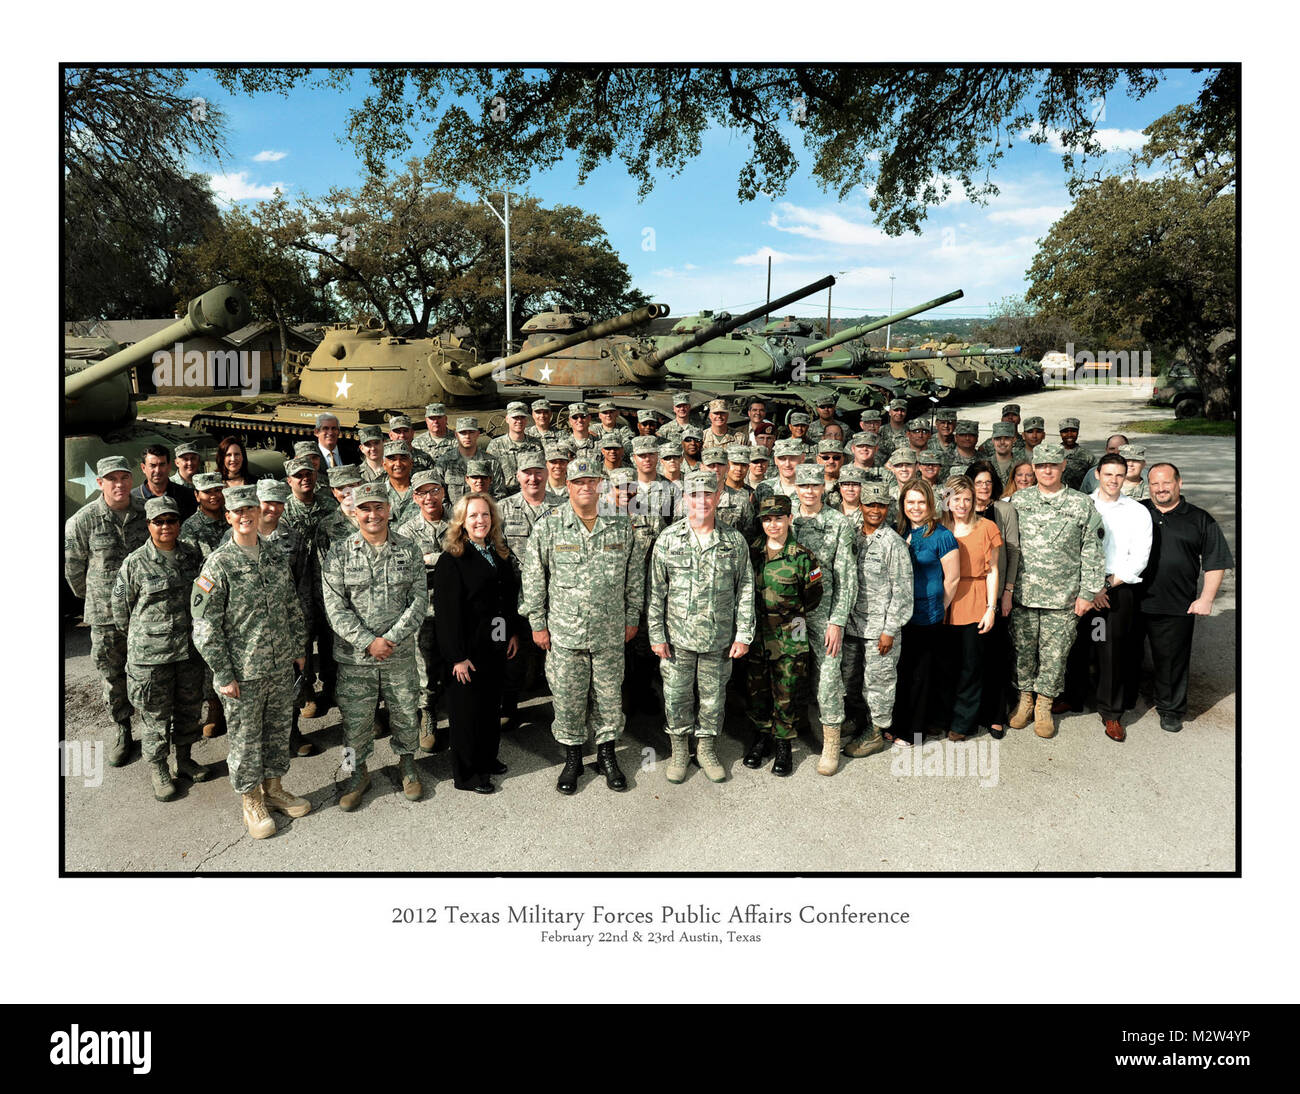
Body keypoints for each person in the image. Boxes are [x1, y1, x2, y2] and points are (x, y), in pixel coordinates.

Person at [191, 485, 310, 839]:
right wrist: (223, 672)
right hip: (242, 672)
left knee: (276, 732)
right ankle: (251, 800)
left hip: (277, 666)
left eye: (250, 511)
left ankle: (273, 789)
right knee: (245, 740)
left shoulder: (274, 557)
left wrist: (299, 648)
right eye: (238, 512)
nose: (245, 517)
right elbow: (203, 624)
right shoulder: (217, 564)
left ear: (259, 514)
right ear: (229, 517)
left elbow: (291, 605)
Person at [520, 458, 643, 793]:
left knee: (608, 697)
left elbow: (634, 576)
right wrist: (537, 623)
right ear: (569, 486)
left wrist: (633, 617)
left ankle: (606, 755)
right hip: (564, 632)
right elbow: (533, 578)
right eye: (579, 482)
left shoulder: (620, 525)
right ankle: (573, 757)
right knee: (567, 698)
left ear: (601, 485)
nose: (586, 488)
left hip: (610, 631)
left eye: (592, 481)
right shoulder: (550, 526)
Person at [322, 481, 428, 809]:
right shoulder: (338, 552)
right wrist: (369, 642)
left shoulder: (408, 549)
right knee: (355, 721)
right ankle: (356, 772)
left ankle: (408, 763)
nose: (372, 514)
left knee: (406, 712)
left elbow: (419, 599)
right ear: (354, 512)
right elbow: (334, 607)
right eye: (365, 508)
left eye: (378, 507)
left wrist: (391, 639)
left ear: (389, 509)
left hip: (398, 654)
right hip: (356, 658)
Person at [647, 470, 755, 784]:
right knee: (677, 696)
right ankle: (680, 749)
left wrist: (744, 633)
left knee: (712, 698)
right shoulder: (669, 538)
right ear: (685, 499)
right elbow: (656, 590)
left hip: (718, 637)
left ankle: (706, 748)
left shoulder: (733, 540)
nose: (702, 501)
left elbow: (745, 588)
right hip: (677, 638)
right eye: (695, 495)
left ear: (718, 498)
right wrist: (656, 634)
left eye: (708, 494)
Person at [111, 496, 209, 800]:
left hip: (188, 652)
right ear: (149, 525)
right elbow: (120, 610)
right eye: (159, 521)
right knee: (155, 715)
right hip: (151, 659)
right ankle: (158, 768)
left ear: (179, 523)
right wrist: (146, 639)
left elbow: (203, 598)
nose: (166, 526)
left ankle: (185, 760)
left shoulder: (192, 556)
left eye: (171, 520)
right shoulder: (134, 563)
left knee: (189, 710)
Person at [1007, 444, 1106, 739]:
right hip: (1024, 595)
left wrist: (1088, 592)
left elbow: (1092, 549)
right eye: (1041, 466)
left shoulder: (1081, 504)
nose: (1046, 470)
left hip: (1063, 598)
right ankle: (1025, 701)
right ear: (1033, 469)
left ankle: (1044, 705)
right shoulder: (1019, 501)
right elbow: (1008, 547)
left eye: (1052, 465)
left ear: (1063, 466)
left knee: (1055, 655)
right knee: (1023, 652)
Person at [433, 492, 526, 792]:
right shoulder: (452, 559)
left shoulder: (498, 552)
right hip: (466, 650)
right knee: (467, 713)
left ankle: (487, 758)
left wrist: (510, 633)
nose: (480, 520)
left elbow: (505, 598)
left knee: (489, 707)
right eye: (473, 515)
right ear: (462, 521)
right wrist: (456, 657)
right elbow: (446, 614)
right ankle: (469, 773)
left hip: (494, 644)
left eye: (485, 515)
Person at [1061, 453, 1153, 740]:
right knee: (1076, 645)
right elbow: (1069, 548)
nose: (1114, 480)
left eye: (1119, 475)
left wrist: (1103, 587)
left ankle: (1111, 713)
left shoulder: (1137, 511)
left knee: (1108, 650)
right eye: (1108, 474)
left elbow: (1139, 557)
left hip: (1114, 592)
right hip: (1079, 589)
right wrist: (1088, 587)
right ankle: (1073, 696)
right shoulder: (1081, 504)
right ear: (1097, 474)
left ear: (1125, 477)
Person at [65, 456, 150, 765]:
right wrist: (100, 599)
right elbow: (74, 573)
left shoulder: (146, 515)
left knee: (151, 673)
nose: (119, 484)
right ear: (100, 483)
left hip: (144, 613)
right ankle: (123, 730)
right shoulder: (82, 521)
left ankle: (156, 731)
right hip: (104, 617)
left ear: (131, 480)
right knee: (113, 676)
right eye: (111, 479)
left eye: (124, 477)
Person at [1137, 463, 1234, 733]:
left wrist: (1206, 598)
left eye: (1166, 482)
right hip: (1133, 600)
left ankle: (1170, 709)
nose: (1160, 488)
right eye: (1155, 484)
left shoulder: (1200, 518)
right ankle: (1123, 702)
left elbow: (1216, 561)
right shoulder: (1138, 511)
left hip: (1175, 604)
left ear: (1179, 483)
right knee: (1125, 656)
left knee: (1172, 661)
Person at [744, 495, 822, 777]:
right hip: (757, 636)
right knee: (757, 691)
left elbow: (813, 597)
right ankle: (761, 739)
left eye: (778, 518)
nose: (773, 524)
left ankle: (783, 745)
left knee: (786, 693)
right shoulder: (752, 552)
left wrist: (789, 618)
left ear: (789, 519)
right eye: (767, 519)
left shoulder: (803, 557)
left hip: (790, 636)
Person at [791, 462, 859, 774]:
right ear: (796, 487)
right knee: (794, 670)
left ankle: (831, 744)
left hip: (825, 615)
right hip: (793, 616)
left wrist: (838, 620)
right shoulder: (786, 520)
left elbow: (847, 578)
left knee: (829, 678)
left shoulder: (838, 523)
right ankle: (794, 731)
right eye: (803, 486)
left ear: (823, 488)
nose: (808, 491)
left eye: (814, 486)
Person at [841, 481, 913, 758]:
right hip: (852, 626)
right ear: (861, 505)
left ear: (888, 508)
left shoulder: (893, 543)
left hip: (879, 630)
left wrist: (890, 630)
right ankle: (859, 720)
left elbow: (903, 592)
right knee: (851, 680)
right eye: (870, 504)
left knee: (878, 683)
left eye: (881, 505)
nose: (875, 510)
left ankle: (875, 732)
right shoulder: (854, 537)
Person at [894, 479, 959, 745]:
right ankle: (899, 725)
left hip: (927, 615)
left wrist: (939, 609)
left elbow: (952, 579)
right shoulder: (898, 532)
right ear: (903, 505)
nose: (916, 507)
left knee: (921, 676)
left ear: (931, 505)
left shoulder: (942, 536)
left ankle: (915, 733)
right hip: (900, 615)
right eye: (910, 502)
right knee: (903, 671)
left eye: (921, 502)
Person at [942, 476, 1003, 741]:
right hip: (945, 599)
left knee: (971, 665)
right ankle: (943, 715)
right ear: (948, 500)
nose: (963, 504)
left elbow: (993, 570)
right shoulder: (940, 527)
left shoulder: (987, 527)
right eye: (957, 499)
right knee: (946, 664)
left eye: (968, 498)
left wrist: (991, 607)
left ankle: (963, 722)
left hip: (976, 597)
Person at [397, 469, 450, 751]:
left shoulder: (459, 523)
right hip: (424, 610)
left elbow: (472, 558)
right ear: (414, 497)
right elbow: (405, 569)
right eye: (422, 492)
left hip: (456, 609)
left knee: (458, 664)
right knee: (426, 667)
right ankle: (427, 714)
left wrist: (431, 560)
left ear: (443, 491)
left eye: (434, 490)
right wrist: (446, 559)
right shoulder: (406, 531)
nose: (429, 497)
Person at [968, 460, 1020, 735]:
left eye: (988, 482)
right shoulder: (959, 510)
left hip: (996, 594)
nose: (984, 487)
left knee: (995, 656)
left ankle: (995, 713)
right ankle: (969, 712)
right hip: (966, 596)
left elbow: (1013, 552)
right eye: (978, 483)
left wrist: (1008, 591)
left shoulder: (1005, 510)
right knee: (969, 658)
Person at [133, 444, 196, 519]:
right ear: (143, 468)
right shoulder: (133, 498)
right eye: (152, 465)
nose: (157, 470)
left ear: (169, 466)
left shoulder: (188, 496)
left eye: (162, 465)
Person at [1058, 417, 1096, 490]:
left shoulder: (1087, 456)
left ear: (1078, 432)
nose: (1069, 434)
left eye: (1073, 431)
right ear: (1060, 433)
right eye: (1065, 431)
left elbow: (1094, 479)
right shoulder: (1052, 453)